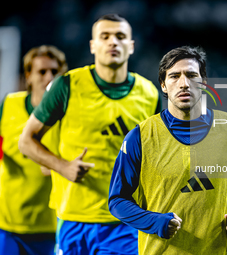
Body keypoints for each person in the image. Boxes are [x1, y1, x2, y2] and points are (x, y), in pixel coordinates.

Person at [19, 14, 161, 255]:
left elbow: (158, 156)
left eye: (120, 36)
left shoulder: (149, 93)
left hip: (124, 222)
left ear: (131, 46)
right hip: (73, 220)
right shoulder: (67, 85)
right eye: (104, 37)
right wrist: (61, 166)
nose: (112, 42)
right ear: (93, 45)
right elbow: (26, 140)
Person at [108, 46, 227, 255]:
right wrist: (154, 222)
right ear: (163, 85)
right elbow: (117, 199)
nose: (184, 83)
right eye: (174, 76)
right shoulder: (140, 137)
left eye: (191, 75)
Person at [0, 45, 67, 255]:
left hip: (49, 225)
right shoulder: (9, 104)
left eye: (55, 72)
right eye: (41, 71)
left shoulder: (69, 115)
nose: (48, 77)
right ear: (28, 76)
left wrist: (58, 165)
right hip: (8, 222)